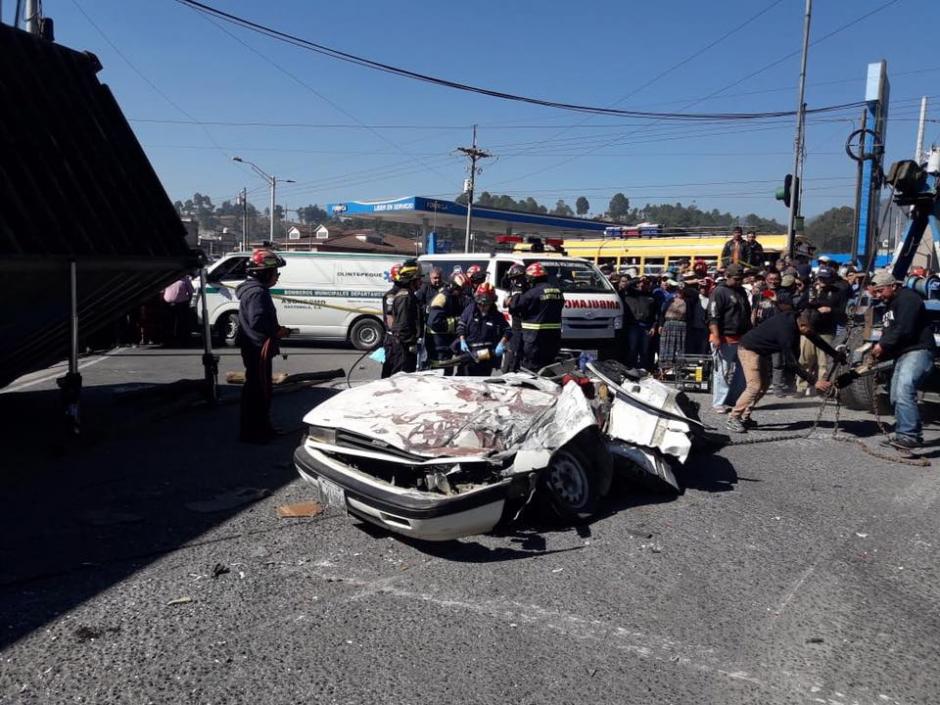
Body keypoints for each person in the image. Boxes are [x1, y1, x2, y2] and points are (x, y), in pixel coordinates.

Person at [726, 292, 837, 432]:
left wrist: (835, 354)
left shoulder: (798, 318)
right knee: (754, 386)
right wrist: (815, 381)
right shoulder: (787, 332)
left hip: (762, 351)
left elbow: (816, 339)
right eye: (809, 329)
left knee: (764, 386)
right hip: (749, 349)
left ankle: (745, 417)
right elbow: (791, 364)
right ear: (803, 325)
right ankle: (733, 417)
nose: (810, 333)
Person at [868, 269, 937, 449]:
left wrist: (882, 345)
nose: (878, 295)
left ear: (893, 286)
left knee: (905, 389)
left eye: (881, 291)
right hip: (903, 353)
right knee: (896, 395)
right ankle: (903, 433)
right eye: (876, 292)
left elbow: (904, 329)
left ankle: (909, 436)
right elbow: (889, 330)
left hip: (918, 350)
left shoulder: (908, 299)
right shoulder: (890, 304)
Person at [236, 248, 290, 443]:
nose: (277, 277)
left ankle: (259, 429)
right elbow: (258, 321)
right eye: (275, 272)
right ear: (264, 272)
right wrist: (277, 331)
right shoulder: (258, 293)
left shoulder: (253, 290)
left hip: (254, 347)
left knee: (258, 389)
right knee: (258, 392)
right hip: (257, 348)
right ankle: (254, 433)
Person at [707, 263, 751, 412]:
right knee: (723, 371)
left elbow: (747, 313)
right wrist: (716, 336)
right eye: (736, 279)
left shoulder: (742, 292)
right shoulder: (719, 292)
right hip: (724, 337)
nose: (739, 281)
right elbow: (713, 315)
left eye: (741, 279)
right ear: (727, 277)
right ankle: (719, 402)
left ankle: (734, 399)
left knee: (742, 371)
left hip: (742, 338)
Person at [511, 261, 563, 370]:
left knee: (531, 370)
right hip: (553, 339)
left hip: (534, 339)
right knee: (548, 369)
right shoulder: (558, 291)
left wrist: (517, 291)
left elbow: (514, 307)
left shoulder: (532, 293)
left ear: (533, 278)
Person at [457, 283, 510, 376]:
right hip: (470, 352)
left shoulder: (497, 315)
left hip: (486, 355)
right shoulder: (470, 311)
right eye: (480, 304)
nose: (483, 307)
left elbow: (508, 330)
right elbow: (461, 326)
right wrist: (462, 340)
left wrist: (501, 344)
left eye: (486, 305)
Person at [381, 259, 422, 377]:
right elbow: (402, 325)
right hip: (401, 346)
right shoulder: (405, 298)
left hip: (402, 345)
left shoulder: (409, 296)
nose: (421, 283)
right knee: (399, 378)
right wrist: (410, 343)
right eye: (418, 280)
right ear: (411, 281)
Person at [426, 272, 469, 375]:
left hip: (445, 343)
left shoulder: (453, 297)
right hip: (438, 344)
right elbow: (434, 322)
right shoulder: (442, 298)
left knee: (448, 372)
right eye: (460, 289)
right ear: (452, 286)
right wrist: (457, 322)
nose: (461, 292)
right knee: (440, 374)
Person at [621, 276, 658, 369]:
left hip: (646, 326)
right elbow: (627, 285)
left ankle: (642, 369)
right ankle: (630, 368)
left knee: (644, 351)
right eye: (641, 283)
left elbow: (655, 314)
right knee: (632, 349)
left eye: (646, 283)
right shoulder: (631, 292)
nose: (643, 284)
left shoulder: (652, 296)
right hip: (633, 326)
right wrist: (638, 279)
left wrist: (653, 326)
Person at [502, 263, 529, 372]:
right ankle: (509, 371)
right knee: (513, 349)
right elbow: (506, 302)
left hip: (525, 322)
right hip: (516, 322)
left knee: (521, 350)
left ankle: (516, 370)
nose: (514, 281)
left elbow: (516, 303)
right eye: (512, 279)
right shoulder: (513, 285)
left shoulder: (526, 286)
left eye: (516, 278)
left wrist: (511, 301)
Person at [658, 281, 688, 371]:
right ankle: (664, 368)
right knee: (666, 347)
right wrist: (660, 324)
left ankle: (677, 368)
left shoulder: (688, 301)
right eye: (678, 290)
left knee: (679, 347)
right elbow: (662, 312)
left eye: (682, 291)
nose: (680, 293)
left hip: (681, 326)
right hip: (668, 324)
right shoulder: (669, 299)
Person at [162, 274, 194, 346]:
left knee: (181, 323)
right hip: (168, 304)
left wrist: (188, 301)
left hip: (181, 304)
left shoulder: (185, 279)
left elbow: (191, 292)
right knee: (169, 323)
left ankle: (182, 340)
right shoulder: (167, 277)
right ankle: (168, 340)